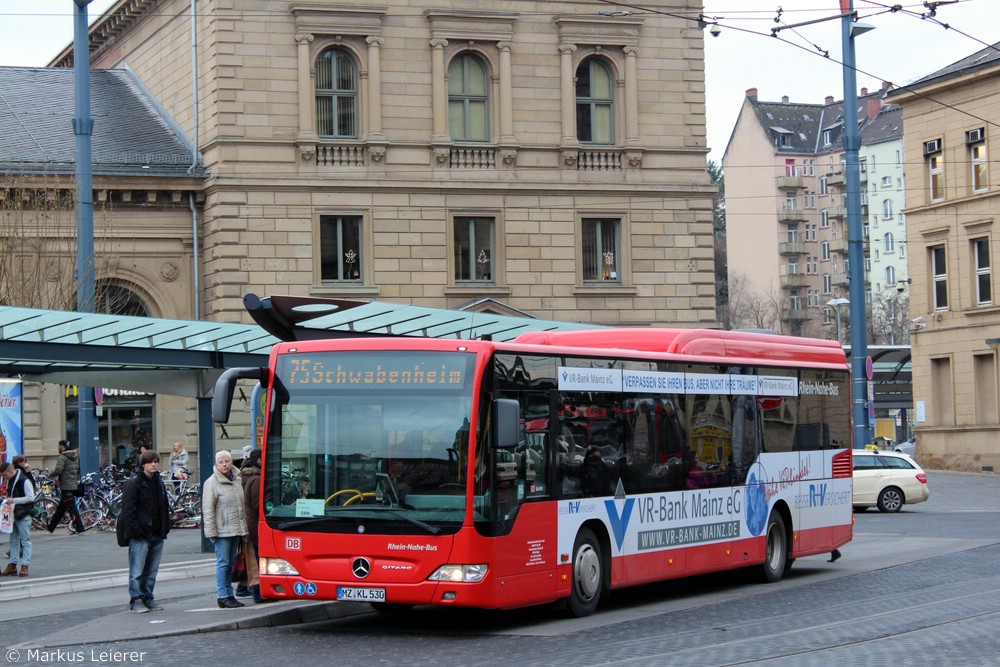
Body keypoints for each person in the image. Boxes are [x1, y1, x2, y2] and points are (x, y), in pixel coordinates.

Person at [120, 449, 170, 613]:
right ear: (143, 464)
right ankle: (136, 599)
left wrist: (164, 527)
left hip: (156, 532)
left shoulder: (158, 482)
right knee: (137, 570)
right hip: (141, 533)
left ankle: (148, 597)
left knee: (151, 570)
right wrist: (136, 531)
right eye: (150, 462)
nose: (154, 464)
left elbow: (164, 506)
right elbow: (128, 510)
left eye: (156, 461)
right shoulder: (134, 482)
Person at [203, 450, 248, 609]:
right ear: (216, 464)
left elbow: (241, 507)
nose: (224, 464)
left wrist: (244, 530)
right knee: (223, 563)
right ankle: (223, 595)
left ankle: (230, 594)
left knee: (231, 563)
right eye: (221, 462)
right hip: (221, 531)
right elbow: (208, 510)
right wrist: (211, 532)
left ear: (231, 463)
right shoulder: (211, 483)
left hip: (236, 529)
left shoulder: (237, 480)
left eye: (227, 461)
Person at [240, 448, 272, 603]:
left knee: (254, 560)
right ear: (259, 460)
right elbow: (259, 505)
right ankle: (259, 594)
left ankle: (248, 590)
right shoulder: (257, 479)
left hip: (249, 525)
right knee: (260, 561)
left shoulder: (246, 477)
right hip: (256, 527)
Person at [2, 461, 35, 577]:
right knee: (14, 540)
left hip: (23, 514)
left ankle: (25, 565)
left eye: (5, 475)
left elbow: (31, 497)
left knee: (25, 540)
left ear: (11, 471)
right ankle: (12, 564)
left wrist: (14, 500)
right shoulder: (12, 480)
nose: (4, 478)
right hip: (15, 515)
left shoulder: (24, 480)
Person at [46, 440, 84, 534]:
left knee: (72, 508)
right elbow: (79, 470)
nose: (58, 448)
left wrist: (50, 474)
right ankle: (51, 528)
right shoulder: (76, 457)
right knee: (61, 509)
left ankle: (80, 528)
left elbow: (58, 470)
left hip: (66, 486)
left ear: (62, 447)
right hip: (73, 485)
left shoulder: (62, 457)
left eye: (59, 446)